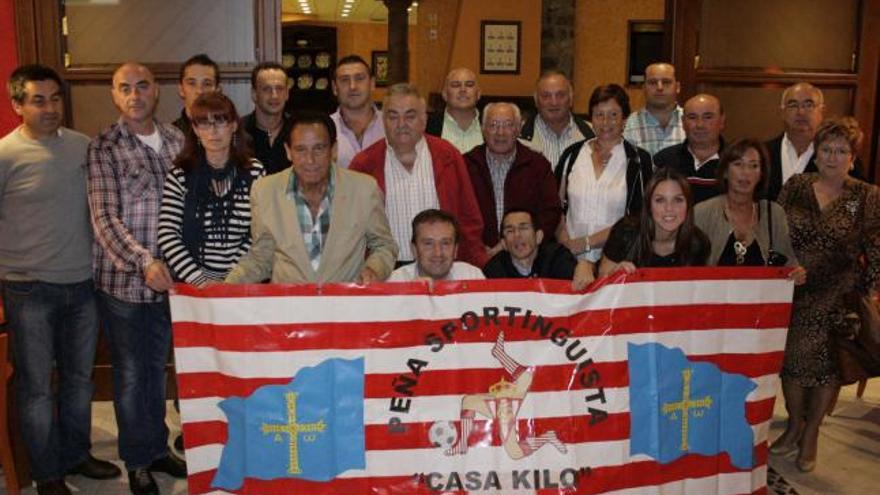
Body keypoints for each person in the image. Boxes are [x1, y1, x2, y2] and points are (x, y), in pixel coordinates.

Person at [0, 64, 120, 495]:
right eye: (38, 100)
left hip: (83, 285)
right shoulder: (5, 155)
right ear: (18, 105)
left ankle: (76, 455)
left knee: (79, 380)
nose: (50, 108)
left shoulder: (83, 148)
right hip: (28, 288)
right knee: (36, 390)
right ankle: (48, 472)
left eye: (55, 98)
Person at [87, 62, 187, 495]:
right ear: (114, 95)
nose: (134, 95)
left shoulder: (179, 141)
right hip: (124, 285)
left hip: (172, 284)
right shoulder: (103, 147)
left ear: (156, 91)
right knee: (130, 375)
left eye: (142, 86)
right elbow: (105, 219)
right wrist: (145, 261)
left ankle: (157, 446)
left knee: (157, 371)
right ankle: (137, 461)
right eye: (125, 88)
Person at [772, 117, 880, 472]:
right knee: (789, 364)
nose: (832, 157)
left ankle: (811, 432)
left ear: (852, 157)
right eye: (826, 149)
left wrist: (868, 290)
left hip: (838, 294)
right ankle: (793, 424)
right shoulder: (795, 186)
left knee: (826, 367)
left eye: (841, 150)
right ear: (815, 154)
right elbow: (775, 233)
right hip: (794, 289)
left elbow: (876, 246)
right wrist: (785, 266)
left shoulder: (866, 196)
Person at [225, 113, 397, 284]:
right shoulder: (265, 192)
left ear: (334, 150)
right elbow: (261, 257)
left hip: (345, 305)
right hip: (288, 307)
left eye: (319, 148)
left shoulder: (364, 189)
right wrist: (225, 287)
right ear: (288, 152)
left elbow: (384, 245)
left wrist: (374, 269)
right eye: (300, 149)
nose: (310, 159)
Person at [350, 83, 487, 268]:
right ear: (383, 121)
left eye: (410, 116)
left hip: (442, 267)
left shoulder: (448, 156)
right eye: (393, 116)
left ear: (424, 119)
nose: (401, 124)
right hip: (386, 272)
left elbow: (469, 219)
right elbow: (353, 229)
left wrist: (475, 265)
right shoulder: (363, 165)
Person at [158, 93, 264, 287]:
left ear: (233, 126)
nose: (213, 131)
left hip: (241, 282)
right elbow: (168, 234)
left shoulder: (255, 172)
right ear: (196, 130)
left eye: (221, 122)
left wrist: (230, 280)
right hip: (191, 284)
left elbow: (259, 233)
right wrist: (201, 282)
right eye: (205, 124)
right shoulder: (180, 174)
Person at [555, 83, 653, 264]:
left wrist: (586, 243)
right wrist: (565, 242)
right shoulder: (573, 154)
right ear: (591, 118)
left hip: (617, 260)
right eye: (599, 115)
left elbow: (640, 218)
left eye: (613, 115)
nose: (605, 122)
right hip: (569, 258)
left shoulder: (638, 160)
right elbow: (555, 205)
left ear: (625, 119)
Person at [694, 138, 804, 280]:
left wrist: (796, 274)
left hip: (761, 299)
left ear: (761, 174)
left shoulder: (774, 214)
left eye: (754, 166)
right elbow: (689, 268)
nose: (746, 172)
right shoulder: (703, 212)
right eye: (738, 164)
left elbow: (789, 264)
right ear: (725, 171)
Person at [464, 102, 561, 258]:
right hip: (476, 256)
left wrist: (510, 245)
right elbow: (458, 213)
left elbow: (550, 212)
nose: (500, 132)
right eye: (493, 125)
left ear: (518, 129)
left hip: (527, 257)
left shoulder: (537, 165)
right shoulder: (466, 165)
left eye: (508, 125)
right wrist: (477, 249)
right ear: (482, 129)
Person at [599, 168, 709, 275]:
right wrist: (614, 274)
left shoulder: (697, 243)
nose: (669, 208)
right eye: (660, 200)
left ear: (688, 206)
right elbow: (601, 284)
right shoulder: (625, 231)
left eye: (678, 200)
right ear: (648, 206)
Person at [483, 209, 594, 290]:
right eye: (510, 231)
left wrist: (587, 265)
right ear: (504, 244)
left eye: (524, 228)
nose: (517, 235)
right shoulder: (493, 271)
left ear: (539, 237)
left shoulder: (556, 257)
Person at [653, 93, 726, 204]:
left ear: (722, 121)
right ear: (683, 123)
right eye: (692, 117)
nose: (700, 125)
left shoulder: (735, 162)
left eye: (708, 117)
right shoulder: (663, 161)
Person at [519, 71, 595, 170]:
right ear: (536, 100)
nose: (554, 102)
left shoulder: (592, 133)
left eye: (560, 95)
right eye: (546, 96)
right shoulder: (518, 135)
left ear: (571, 99)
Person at [387, 209, 484, 281]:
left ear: (456, 250)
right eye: (428, 244)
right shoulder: (395, 282)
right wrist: (413, 294)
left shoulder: (473, 277)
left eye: (445, 243)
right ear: (414, 250)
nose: (438, 253)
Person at [330, 54, 385, 169]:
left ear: (372, 83)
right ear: (335, 88)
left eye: (359, 78)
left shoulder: (390, 125)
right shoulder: (325, 129)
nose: (352, 86)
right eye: (344, 80)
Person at [623, 62, 686, 155]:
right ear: (644, 88)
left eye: (666, 82)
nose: (659, 87)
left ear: (677, 87)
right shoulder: (628, 125)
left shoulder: (692, 121)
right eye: (652, 82)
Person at [241, 62, 292, 174]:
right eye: (266, 89)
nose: (274, 95)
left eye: (279, 88)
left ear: (287, 93)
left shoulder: (298, 131)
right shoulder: (238, 132)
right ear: (254, 94)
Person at [426, 67, 483, 153]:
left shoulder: (491, 125)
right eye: (456, 85)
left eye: (469, 85)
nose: (463, 90)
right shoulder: (426, 126)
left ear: (478, 94)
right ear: (445, 94)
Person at [172, 53, 220, 136]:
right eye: (192, 83)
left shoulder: (230, 136)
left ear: (217, 91)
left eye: (207, 84)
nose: (199, 91)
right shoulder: (170, 136)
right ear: (181, 90)